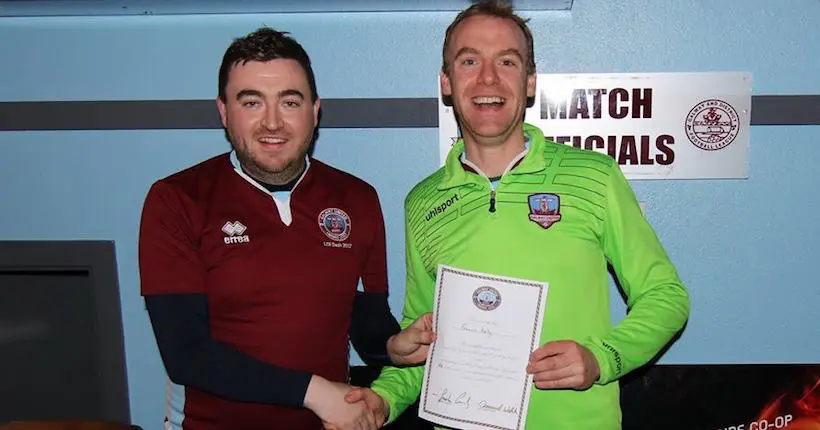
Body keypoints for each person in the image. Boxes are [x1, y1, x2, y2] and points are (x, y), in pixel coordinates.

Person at [344, 1, 691, 428]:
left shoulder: (593, 176)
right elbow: (425, 345)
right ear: (446, 83)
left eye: (506, 61)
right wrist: (382, 400)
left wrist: (602, 358)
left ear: (529, 83)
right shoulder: (423, 201)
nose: (488, 78)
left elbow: (666, 297)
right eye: (469, 60)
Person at [138, 27, 405, 430]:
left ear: (315, 111)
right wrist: (313, 391)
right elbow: (186, 353)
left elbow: (367, 321)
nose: (272, 123)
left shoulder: (357, 198)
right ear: (224, 112)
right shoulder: (177, 199)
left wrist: (394, 347)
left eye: (290, 102)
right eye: (251, 102)